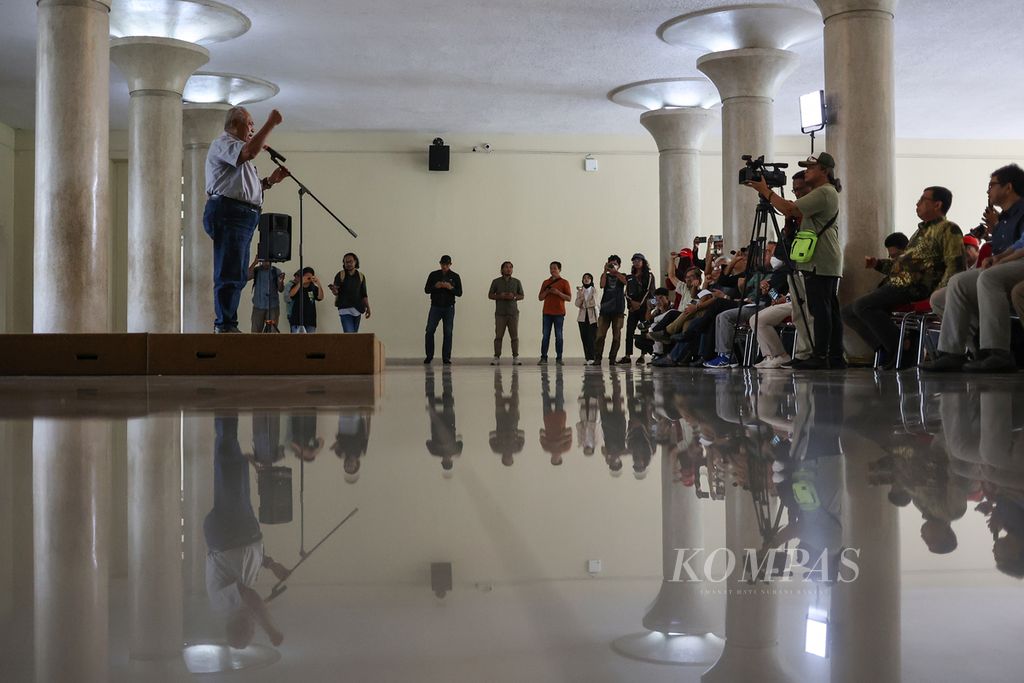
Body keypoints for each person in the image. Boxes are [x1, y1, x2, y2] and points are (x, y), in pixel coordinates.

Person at [843, 187, 964, 369]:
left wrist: (943, 290)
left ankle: (900, 348)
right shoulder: (919, 233)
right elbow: (902, 265)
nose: (917, 203)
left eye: (923, 200)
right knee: (847, 312)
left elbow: (955, 263)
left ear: (937, 204)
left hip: (916, 287)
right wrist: (877, 263)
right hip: (899, 284)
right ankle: (887, 348)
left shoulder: (948, 229)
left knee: (863, 305)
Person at [745, 153, 844, 369]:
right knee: (828, 310)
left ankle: (821, 356)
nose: (807, 170)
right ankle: (834, 356)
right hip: (821, 259)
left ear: (824, 171)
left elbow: (789, 209)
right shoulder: (824, 192)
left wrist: (765, 190)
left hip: (821, 259)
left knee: (821, 310)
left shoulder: (824, 192)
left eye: (811, 167)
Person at [922, 164, 1024, 372]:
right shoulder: (1002, 219)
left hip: (1018, 265)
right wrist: (997, 258)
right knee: (955, 284)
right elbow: (1011, 247)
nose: (988, 190)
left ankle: (997, 352)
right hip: (1007, 265)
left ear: (1008, 187)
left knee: (989, 278)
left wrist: (1000, 261)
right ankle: (955, 352)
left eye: (992, 185)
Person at [204, 414, 289, 649]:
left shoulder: (225, 606)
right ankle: (228, 415)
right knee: (237, 468)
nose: (253, 627)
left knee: (228, 463)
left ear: (240, 627)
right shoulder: (239, 606)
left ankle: (226, 408)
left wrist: (271, 630)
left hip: (230, 533)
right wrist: (272, 565)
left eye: (250, 629)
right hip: (243, 531)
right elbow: (249, 563)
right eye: (254, 630)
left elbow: (249, 595)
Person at [203, 106, 290, 333]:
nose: (252, 127)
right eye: (249, 123)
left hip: (241, 214)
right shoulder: (224, 143)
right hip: (229, 212)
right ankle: (224, 325)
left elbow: (243, 190)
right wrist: (270, 123)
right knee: (229, 271)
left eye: (253, 124)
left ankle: (228, 324)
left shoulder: (240, 155)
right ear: (234, 125)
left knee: (238, 273)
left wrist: (269, 182)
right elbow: (250, 152)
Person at [424, 255, 463, 365]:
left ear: (450, 264)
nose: (444, 266)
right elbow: (426, 290)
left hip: (449, 307)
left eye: (447, 264)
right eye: (443, 264)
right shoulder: (434, 275)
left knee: (448, 332)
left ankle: (446, 357)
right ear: (440, 264)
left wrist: (450, 288)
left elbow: (460, 293)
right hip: (435, 306)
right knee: (430, 330)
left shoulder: (455, 276)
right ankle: (429, 356)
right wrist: (436, 286)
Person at [618, 253, 656, 366]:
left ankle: (642, 355)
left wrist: (640, 304)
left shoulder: (649, 275)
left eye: (639, 260)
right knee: (629, 331)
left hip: (644, 308)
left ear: (643, 262)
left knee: (644, 330)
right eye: (634, 260)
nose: (636, 262)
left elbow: (649, 291)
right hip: (632, 309)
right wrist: (631, 304)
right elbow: (627, 293)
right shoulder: (630, 277)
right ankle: (627, 355)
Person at [591, 255, 627, 366]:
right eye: (610, 264)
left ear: (619, 265)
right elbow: (602, 285)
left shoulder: (622, 275)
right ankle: (597, 358)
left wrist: (615, 272)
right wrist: (604, 271)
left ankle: (612, 359)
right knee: (600, 335)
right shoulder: (604, 275)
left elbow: (626, 282)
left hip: (618, 309)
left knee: (616, 336)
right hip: (605, 310)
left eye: (615, 264)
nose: (612, 266)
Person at [488, 261, 524, 365]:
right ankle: (496, 357)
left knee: (514, 336)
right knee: (498, 336)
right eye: (506, 267)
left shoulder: (517, 282)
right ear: (502, 269)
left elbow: (522, 295)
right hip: (500, 313)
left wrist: (513, 296)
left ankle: (515, 357)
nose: (508, 269)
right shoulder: (496, 281)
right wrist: (500, 296)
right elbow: (490, 295)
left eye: (510, 267)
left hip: (513, 313)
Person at [538, 261, 572, 365]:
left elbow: (569, 298)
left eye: (555, 268)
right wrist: (547, 291)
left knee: (559, 335)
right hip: (547, 313)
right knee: (545, 336)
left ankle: (559, 358)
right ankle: (543, 357)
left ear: (559, 270)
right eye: (551, 268)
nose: (552, 270)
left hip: (559, 313)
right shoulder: (545, 282)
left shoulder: (564, 282)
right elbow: (540, 297)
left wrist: (558, 293)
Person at [329, 252, 370, 333]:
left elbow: (364, 294)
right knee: (349, 333)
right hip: (344, 308)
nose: (348, 264)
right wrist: (334, 290)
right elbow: (336, 291)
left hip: (358, 309)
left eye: (350, 261)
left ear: (355, 262)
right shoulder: (341, 274)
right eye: (346, 262)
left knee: (354, 335)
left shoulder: (361, 276)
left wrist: (368, 308)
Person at [247, 258, 284, 333]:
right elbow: (247, 277)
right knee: (255, 332)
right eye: (264, 261)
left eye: (268, 261)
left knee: (272, 332)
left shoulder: (276, 271)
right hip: (258, 306)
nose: (266, 263)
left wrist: (280, 282)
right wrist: (254, 263)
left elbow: (281, 289)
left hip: (273, 306)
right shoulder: (257, 270)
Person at [287, 267, 323, 333]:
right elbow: (291, 294)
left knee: (310, 342)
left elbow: (320, 297)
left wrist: (318, 284)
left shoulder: (313, 288)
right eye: (306, 276)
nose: (308, 278)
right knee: (296, 342)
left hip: (310, 321)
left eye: (310, 277)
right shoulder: (296, 286)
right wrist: (301, 282)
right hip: (297, 320)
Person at [575, 273, 599, 362]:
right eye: (584, 278)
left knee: (591, 338)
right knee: (584, 338)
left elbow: (594, 302)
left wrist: (585, 304)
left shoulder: (594, 290)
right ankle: (587, 357)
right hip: (582, 317)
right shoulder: (580, 291)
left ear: (591, 280)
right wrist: (581, 296)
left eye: (588, 278)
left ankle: (592, 357)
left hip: (592, 317)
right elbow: (577, 304)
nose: (586, 279)